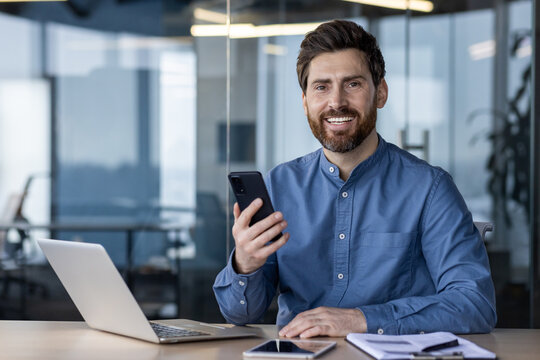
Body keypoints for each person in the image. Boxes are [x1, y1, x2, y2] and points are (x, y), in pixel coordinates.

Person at [213, 19, 497, 338]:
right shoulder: (279, 185)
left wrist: (361, 319)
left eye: (353, 84)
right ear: (305, 101)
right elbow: (240, 313)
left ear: (381, 93)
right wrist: (245, 264)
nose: (336, 102)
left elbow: (475, 305)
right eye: (321, 87)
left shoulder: (429, 189)